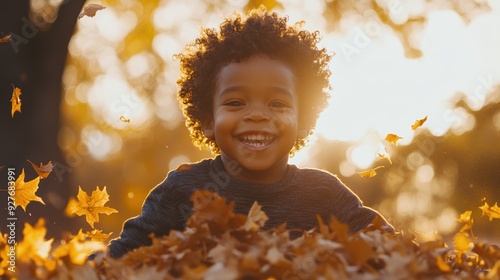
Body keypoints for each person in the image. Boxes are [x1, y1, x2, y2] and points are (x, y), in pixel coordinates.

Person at [104, 8, 393, 259]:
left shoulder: (324, 194)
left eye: (277, 104)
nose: (257, 115)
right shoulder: (182, 190)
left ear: (303, 120)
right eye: (235, 103)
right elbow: (120, 257)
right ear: (208, 120)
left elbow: (392, 249)